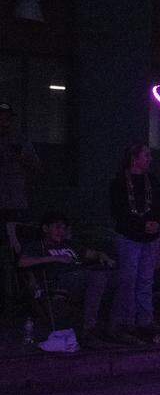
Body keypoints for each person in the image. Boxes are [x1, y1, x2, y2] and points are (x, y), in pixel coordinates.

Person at [18, 211, 114, 345]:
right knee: (96, 277)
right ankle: (89, 328)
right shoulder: (38, 245)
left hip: (82, 278)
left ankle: (117, 327)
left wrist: (102, 255)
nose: (61, 231)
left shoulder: (69, 244)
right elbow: (23, 262)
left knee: (113, 277)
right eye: (57, 227)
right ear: (45, 228)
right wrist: (55, 258)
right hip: (59, 281)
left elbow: (92, 254)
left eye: (64, 228)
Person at [109, 143, 160, 343]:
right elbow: (119, 211)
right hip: (129, 238)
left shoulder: (152, 181)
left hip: (149, 239)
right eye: (146, 155)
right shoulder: (120, 182)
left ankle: (145, 320)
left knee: (145, 281)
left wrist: (156, 223)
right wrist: (141, 225)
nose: (150, 159)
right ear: (135, 158)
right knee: (129, 280)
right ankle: (126, 321)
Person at [1, 101, 42, 308]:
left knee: (19, 249)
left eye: (6, 116)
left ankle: (22, 297)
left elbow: (36, 166)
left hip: (16, 202)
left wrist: (20, 157)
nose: (3, 120)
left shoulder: (19, 140)